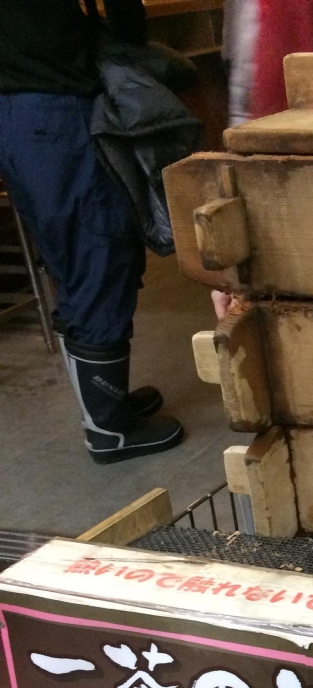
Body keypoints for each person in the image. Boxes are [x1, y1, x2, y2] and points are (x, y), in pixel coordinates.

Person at [0, 0, 185, 464]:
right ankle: (109, 430)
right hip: (56, 105)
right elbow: (126, 19)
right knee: (99, 251)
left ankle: (103, 406)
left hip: (13, 113)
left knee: (68, 259)